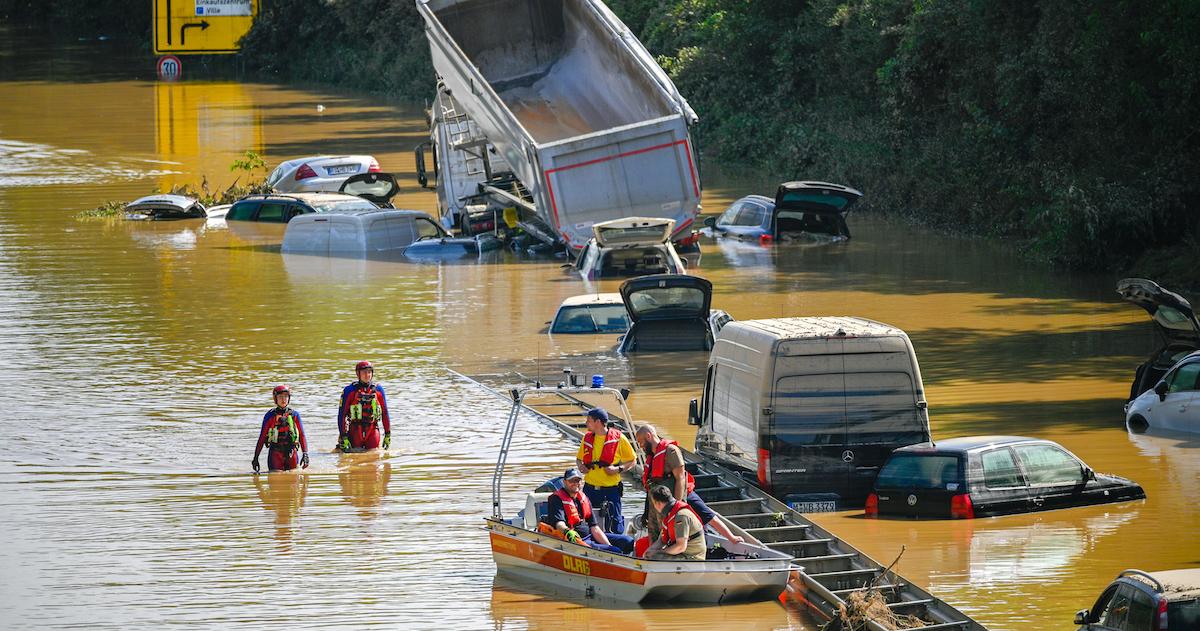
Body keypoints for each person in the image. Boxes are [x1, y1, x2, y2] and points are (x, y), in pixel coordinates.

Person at [636, 424, 743, 545]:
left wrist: (677, 504)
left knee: (707, 515)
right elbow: (650, 486)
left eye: (641, 442)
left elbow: (680, 477)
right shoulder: (651, 457)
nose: (640, 446)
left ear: (649, 436)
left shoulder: (671, 451)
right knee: (657, 531)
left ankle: (732, 538)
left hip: (680, 495)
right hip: (660, 500)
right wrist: (646, 511)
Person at [544, 468, 634, 554]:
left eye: (577, 480)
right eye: (571, 481)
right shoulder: (556, 499)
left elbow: (594, 527)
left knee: (628, 542)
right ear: (564, 482)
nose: (575, 483)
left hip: (590, 535)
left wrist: (608, 545)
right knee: (615, 551)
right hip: (575, 540)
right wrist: (567, 532)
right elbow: (559, 523)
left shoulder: (583, 498)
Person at [575, 407, 636, 534]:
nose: (586, 423)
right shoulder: (587, 438)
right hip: (589, 489)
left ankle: (615, 548)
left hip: (611, 491)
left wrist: (618, 469)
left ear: (598, 422)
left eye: (589, 420)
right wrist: (581, 466)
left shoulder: (619, 439)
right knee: (585, 523)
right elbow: (579, 459)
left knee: (614, 525)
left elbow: (632, 461)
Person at [253, 384, 310, 472]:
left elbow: (302, 435)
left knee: (294, 479)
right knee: (275, 478)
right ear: (275, 399)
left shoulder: (295, 415)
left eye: (286, 396)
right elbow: (262, 437)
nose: (283, 399)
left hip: (292, 453)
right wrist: (256, 457)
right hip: (275, 454)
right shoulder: (270, 416)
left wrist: (305, 454)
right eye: (280, 397)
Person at [337, 360, 391, 452]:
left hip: (373, 430)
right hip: (355, 431)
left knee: (374, 458)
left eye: (369, 372)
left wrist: (387, 434)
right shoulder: (349, 391)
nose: (367, 375)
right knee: (352, 458)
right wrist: (344, 436)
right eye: (364, 372)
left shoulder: (379, 390)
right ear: (358, 374)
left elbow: (385, 413)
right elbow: (342, 415)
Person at [644, 485, 706, 561]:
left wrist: (659, 552)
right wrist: (649, 551)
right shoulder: (670, 514)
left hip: (692, 557)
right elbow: (661, 541)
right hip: (681, 554)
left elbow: (681, 547)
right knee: (650, 555)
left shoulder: (681, 516)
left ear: (658, 503)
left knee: (654, 557)